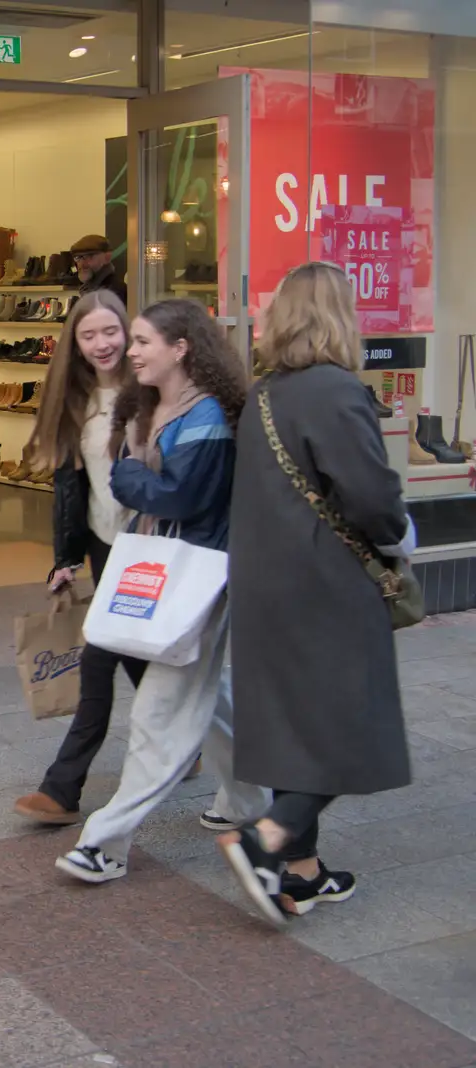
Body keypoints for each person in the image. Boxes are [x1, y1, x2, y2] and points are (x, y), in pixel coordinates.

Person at [217, 262, 412, 924]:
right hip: (325, 582)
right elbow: (370, 496)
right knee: (351, 718)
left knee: (292, 723)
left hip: (264, 580)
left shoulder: (265, 393)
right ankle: (265, 838)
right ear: (339, 314)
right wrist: (397, 535)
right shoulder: (336, 390)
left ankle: (302, 872)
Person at [55, 299, 270, 883]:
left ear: (182, 348)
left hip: (196, 576)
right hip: (174, 571)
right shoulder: (151, 404)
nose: (131, 351)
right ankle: (252, 803)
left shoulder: (207, 419)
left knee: (159, 711)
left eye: (143, 341)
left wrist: (128, 476)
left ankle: (105, 840)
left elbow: (177, 496)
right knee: (210, 699)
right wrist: (137, 479)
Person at [13, 290, 147, 825]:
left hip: (151, 549)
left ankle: (62, 786)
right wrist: (63, 559)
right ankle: (192, 740)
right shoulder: (74, 399)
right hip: (104, 546)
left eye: (109, 331)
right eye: (88, 335)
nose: (101, 344)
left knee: (99, 661)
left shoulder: (152, 390)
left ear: (127, 329)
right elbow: (70, 487)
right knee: (143, 664)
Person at [70, 235, 127, 306]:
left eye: (89, 257)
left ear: (107, 257)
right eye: (78, 257)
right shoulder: (89, 289)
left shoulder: (113, 292)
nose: (82, 264)